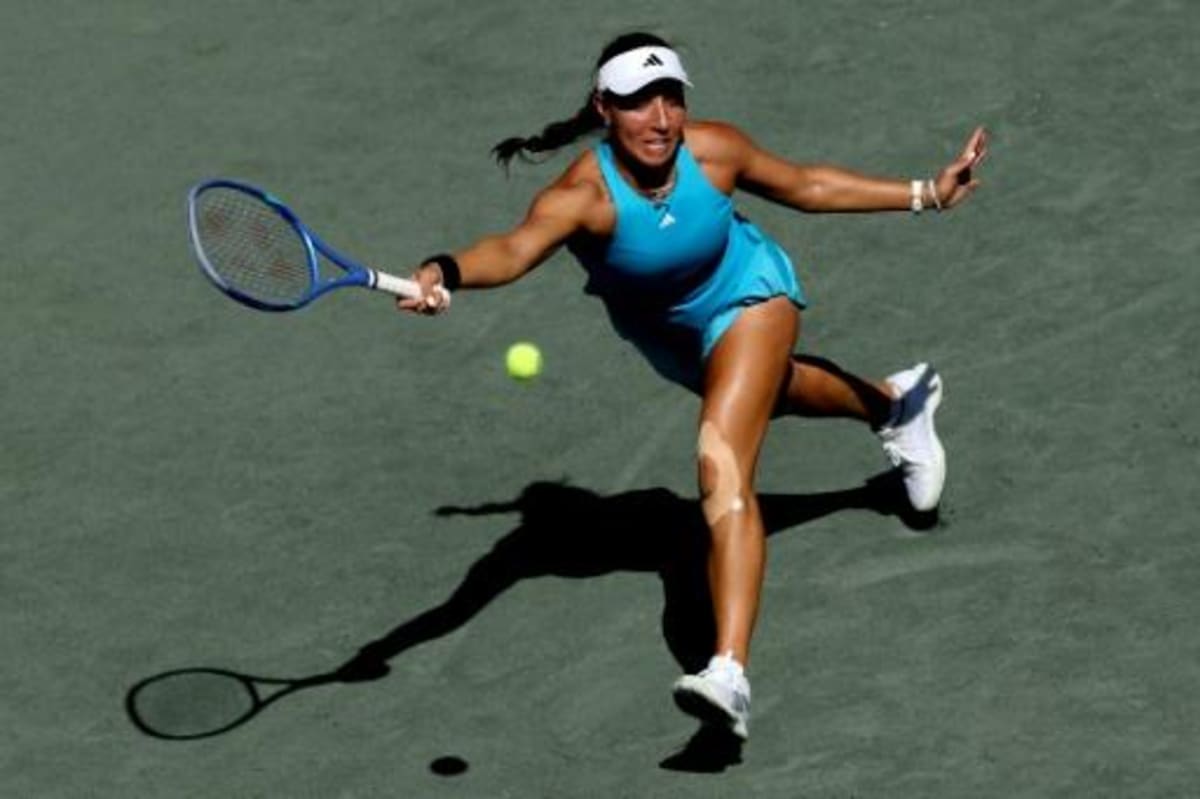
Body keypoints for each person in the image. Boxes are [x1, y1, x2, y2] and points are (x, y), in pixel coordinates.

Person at [397, 32, 988, 742]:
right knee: (783, 390)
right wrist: (445, 270)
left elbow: (807, 186)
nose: (660, 118)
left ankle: (728, 672)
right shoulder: (582, 197)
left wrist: (926, 192)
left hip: (751, 294)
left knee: (722, 464)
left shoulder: (714, 151)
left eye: (671, 98)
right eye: (638, 102)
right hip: (676, 342)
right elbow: (512, 250)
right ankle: (896, 405)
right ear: (603, 109)